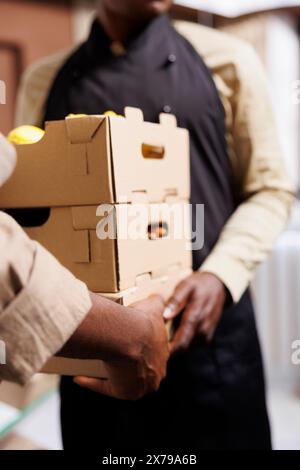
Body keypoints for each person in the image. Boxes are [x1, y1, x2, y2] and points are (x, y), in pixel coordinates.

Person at [16, 0, 294, 450]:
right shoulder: (44, 78)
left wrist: (220, 275)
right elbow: (29, 204)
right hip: (96, 348)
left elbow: (271, 189)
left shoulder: (229, 60)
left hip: (207, 340)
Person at [0, 132, 169, 399]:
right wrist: (129, 334)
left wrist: (221, 275)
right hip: (91, 353)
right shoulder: (39, 89)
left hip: (183, 337)